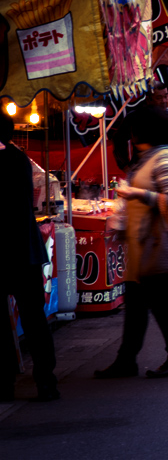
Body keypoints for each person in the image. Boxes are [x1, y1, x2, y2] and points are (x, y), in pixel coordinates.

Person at [94, 106, 168, 379]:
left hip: (155, 246)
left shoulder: (164, 160)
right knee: (136, 306)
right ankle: (126, 360)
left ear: (142, 132)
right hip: (140, 247)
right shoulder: (147, 158)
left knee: (159, 304)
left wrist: (135, 193)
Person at [1, 114, 59, 402]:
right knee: (34, 319)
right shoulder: (18, 158)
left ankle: (8, 383)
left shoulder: (12, 160)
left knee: (18, 320)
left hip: (11, 250)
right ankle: (45, 381)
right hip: (25, 250)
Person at [112, 81, 168, 176]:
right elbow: (119, 139)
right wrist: (125, 165)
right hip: (141, 176)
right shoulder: (135, 117)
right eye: (159, 98)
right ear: (148, 99)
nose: (164, 101)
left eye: (166, 96)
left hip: (167, 174)